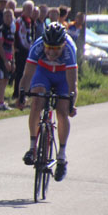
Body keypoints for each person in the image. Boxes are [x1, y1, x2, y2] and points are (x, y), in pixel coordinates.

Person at [16, 22, 78, 182]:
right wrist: (21, 95)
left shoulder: (70, 49)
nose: (51, 52)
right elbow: (27, 75)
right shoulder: (37, 46)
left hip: (63, 76)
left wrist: (72, 103)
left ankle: (62, 157)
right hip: (43, 72)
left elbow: (73, 83)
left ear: (63, 44)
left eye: (56, 49)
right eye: (48, 47)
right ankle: (32, 148)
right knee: (37, 102)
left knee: (62, 111)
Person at [12, 0, 35, 100]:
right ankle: (17, 92)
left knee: (28, 71)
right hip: (20, 50)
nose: (30, 11)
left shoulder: (30, 21)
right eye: (28, 9)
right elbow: (17, 35)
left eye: (31, 9)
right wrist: (18, 47)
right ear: (24, 9)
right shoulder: (19, 21)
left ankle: (27, 90)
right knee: (20, 72)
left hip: (28, 50)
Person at [0, 8, 15, 111]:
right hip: (2, 59)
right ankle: (0, 102)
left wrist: (12, 61)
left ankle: (1, 100)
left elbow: (12, 46)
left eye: (10, 16)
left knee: (6, 79)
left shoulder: (11, 29)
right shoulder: (1, 29)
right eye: (6, 16)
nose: (9, 18)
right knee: (2, 79)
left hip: (9, 58)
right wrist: (5, 60)